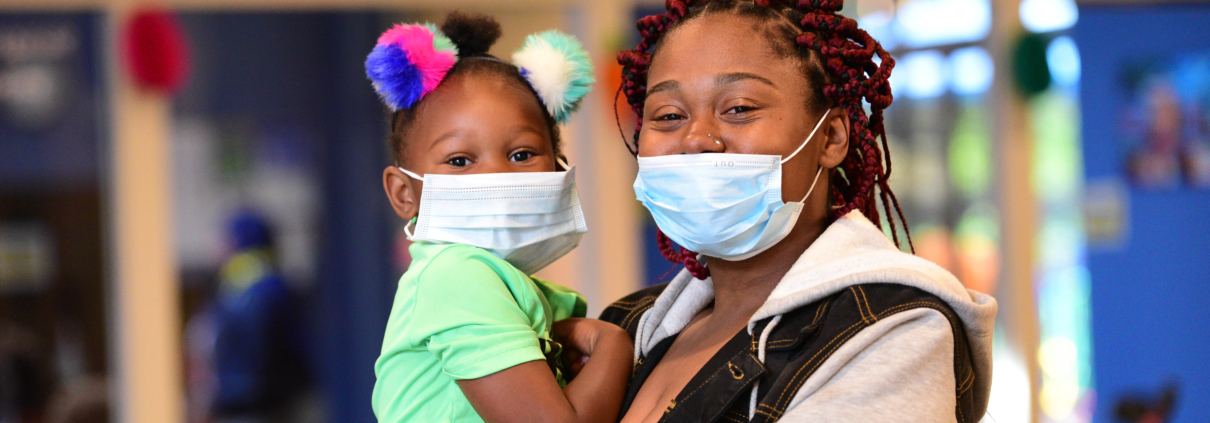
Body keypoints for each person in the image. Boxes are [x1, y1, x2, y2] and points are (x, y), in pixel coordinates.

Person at [599, 1, 998, 422]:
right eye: (669, 115)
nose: (696, 138)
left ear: (830, 137)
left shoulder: (890, 329)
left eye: (738, 108)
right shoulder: (623, 329)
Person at [368, 12, 633, 423]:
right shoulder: (456, 276)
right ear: (404, 193)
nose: (496, 176)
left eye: (522, 155)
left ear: (558, 165)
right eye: (460, 160)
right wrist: (615, 345)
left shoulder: (509, 285)